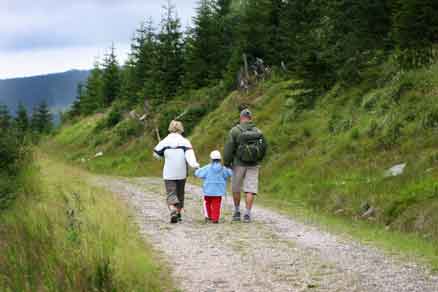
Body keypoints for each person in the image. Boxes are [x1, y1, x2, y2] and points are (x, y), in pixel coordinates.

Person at [223, 109, 267, 223]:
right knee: (250, 189)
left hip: (238, 164)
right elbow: (264, 148)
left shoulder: (235, 131)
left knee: (236, 188)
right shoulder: (258, 131)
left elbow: (229, 148)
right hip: (254, 164)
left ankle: (237, 212)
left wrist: (227, 163)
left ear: (241, 118)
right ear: (251, 118)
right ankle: (247, 214)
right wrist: (258, 159)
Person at [153, 120, 200, 223]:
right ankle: (178, 213)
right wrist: (195, 166)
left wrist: (163, 156)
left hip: (168, 173)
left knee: (171, 193)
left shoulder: (164, 141)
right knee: (180, 193)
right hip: (181, 173)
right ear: (181, 129)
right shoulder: (185, 141)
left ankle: (173, 210)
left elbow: (156, 153)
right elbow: (190, 157)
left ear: (170, 128)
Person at [195, 150, 233, 224]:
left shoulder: (207, 167)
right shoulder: (223, 168)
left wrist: (197, 169)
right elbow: (229, 173)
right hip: (219, 191)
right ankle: (215, 218)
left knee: (208, 203)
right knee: (217, 204)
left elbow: (199, 174)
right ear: (220, 159)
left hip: (208, 190)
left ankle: (209, 216)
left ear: (211, 159)